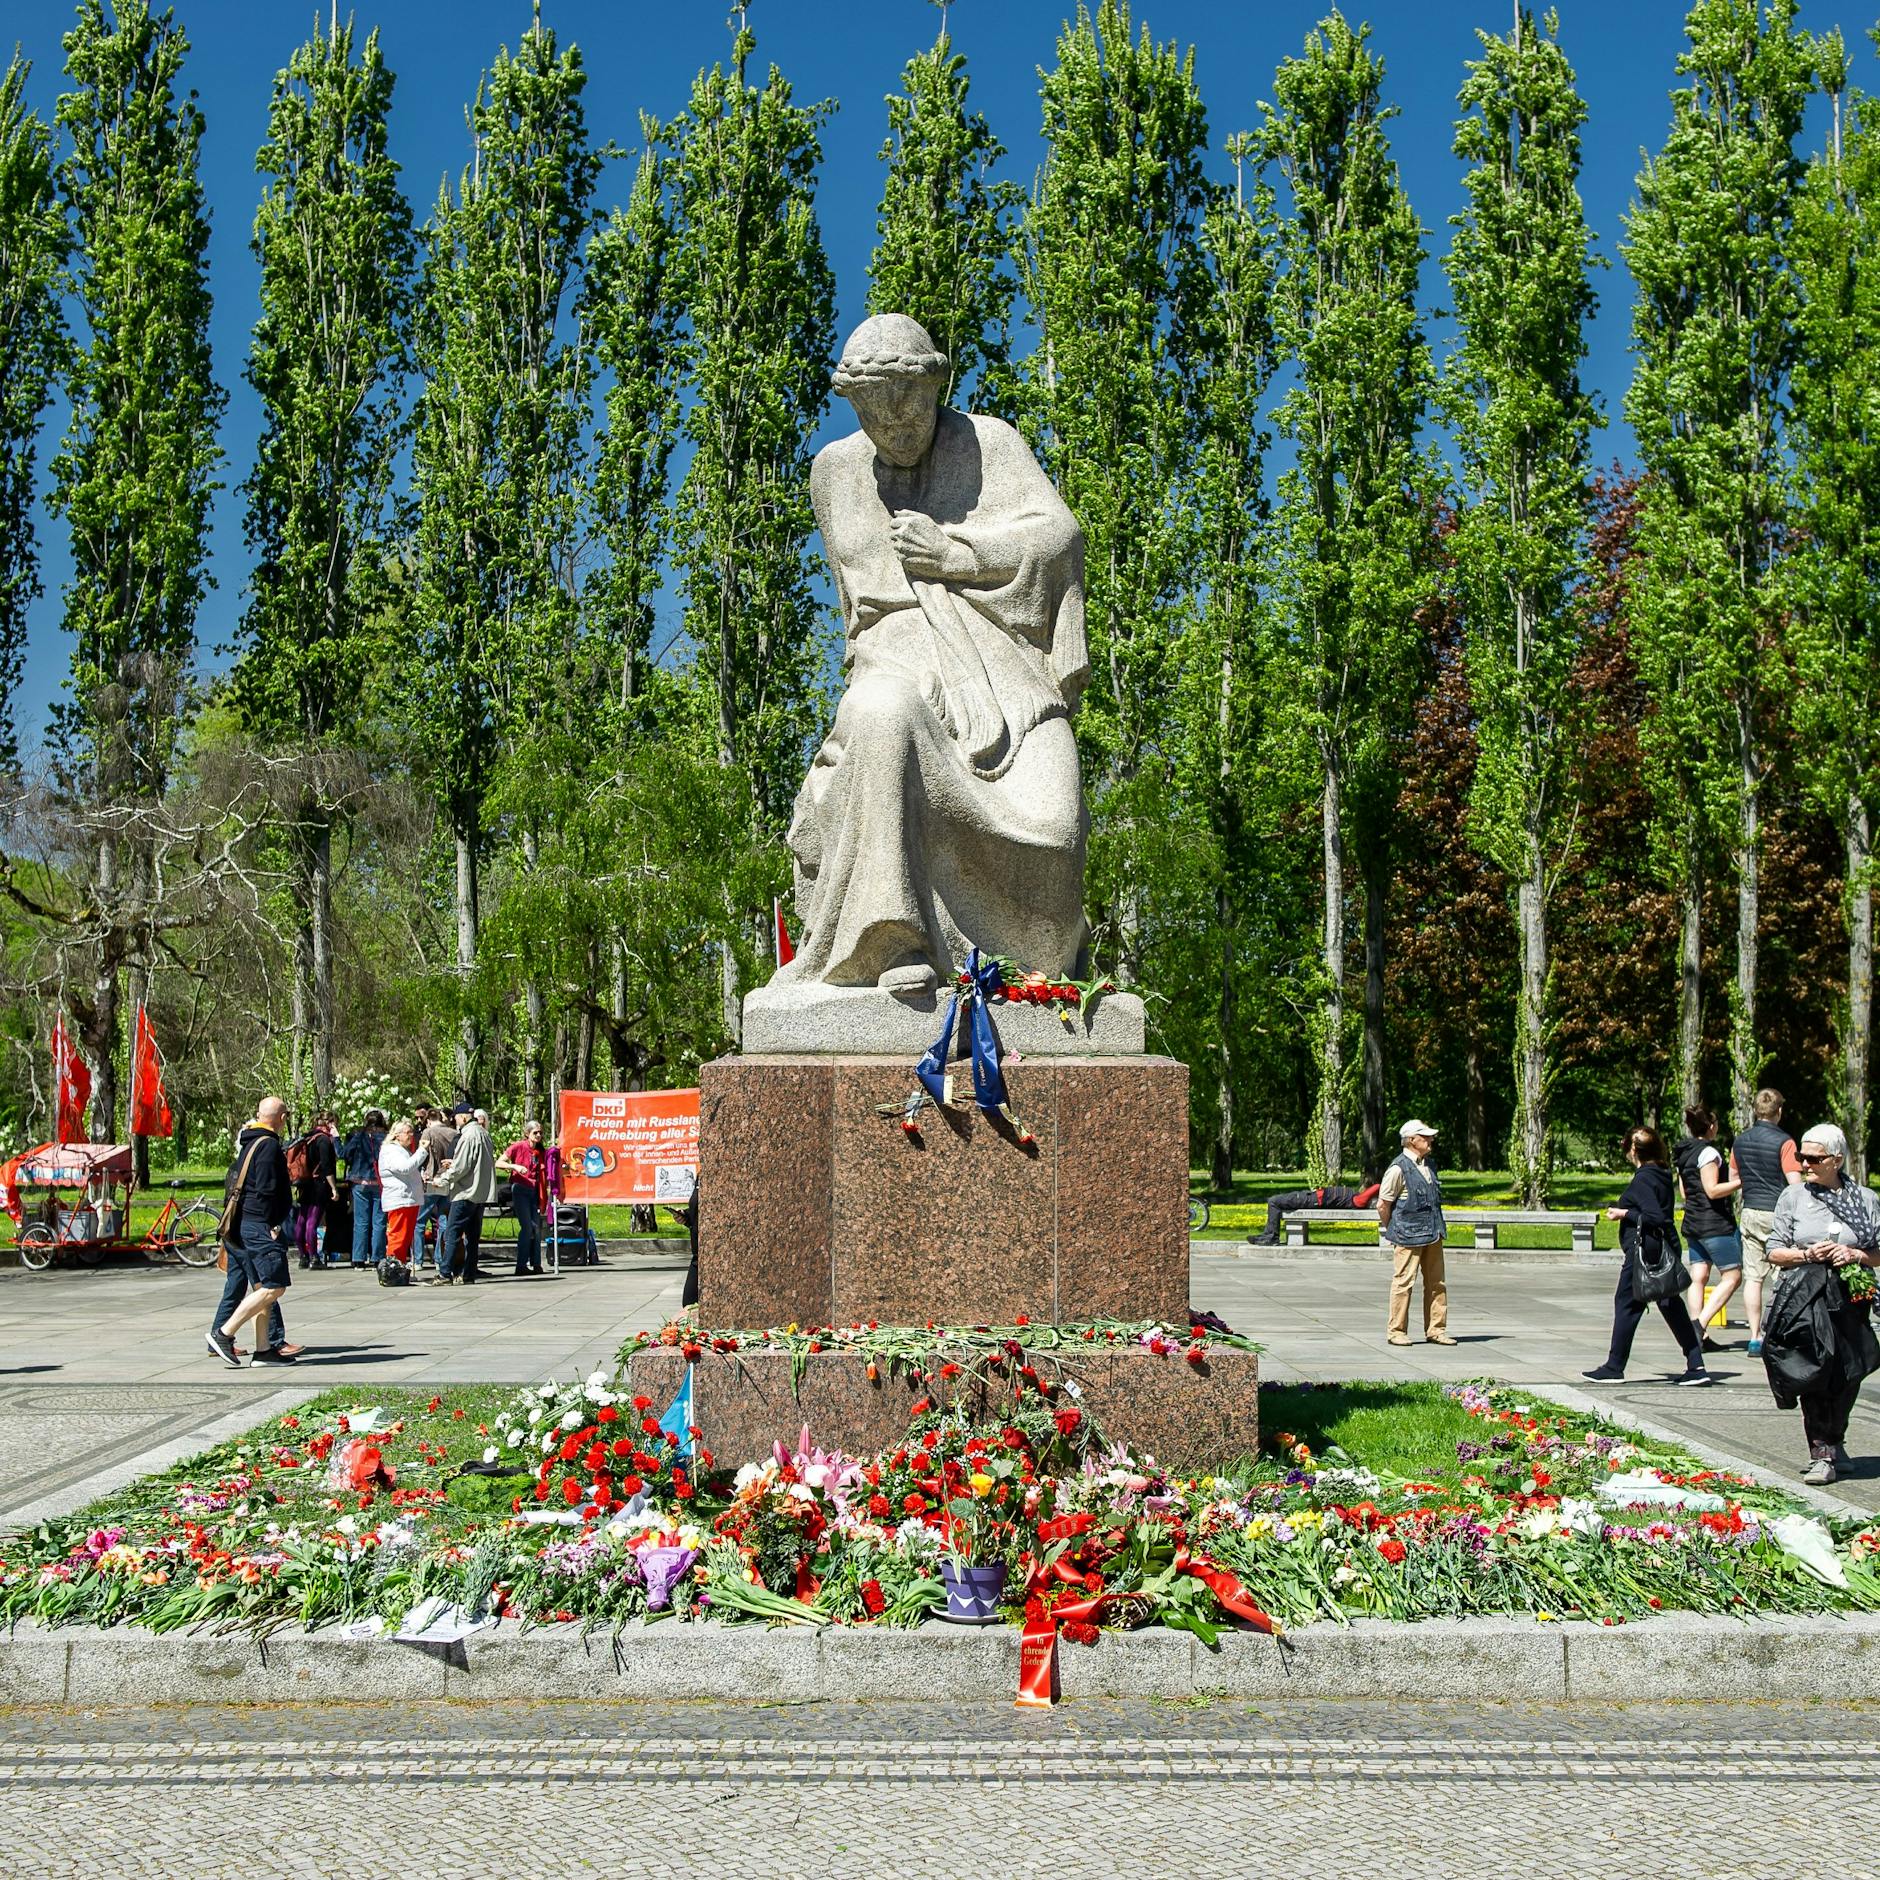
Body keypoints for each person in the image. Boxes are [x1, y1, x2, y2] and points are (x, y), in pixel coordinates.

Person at [762, 313, 1088, 999]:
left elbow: (1058, 536)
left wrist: (958, 555)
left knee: (1056, 835)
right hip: (899, 677)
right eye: (874, 411)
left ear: (936, 383)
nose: (894, 422)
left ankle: (1017, 961)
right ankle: (888, 941)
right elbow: (863, 620)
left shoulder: (987, 444)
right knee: (880, 712)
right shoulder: (834, 473)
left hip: (1007, 683)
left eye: (908, 402)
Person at [1764, 1122, 1880, 1484]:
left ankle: (1836, 1438)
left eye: (1814, 1158)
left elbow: (1878, 1252)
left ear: (1837, 1159)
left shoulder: (1865, 1199)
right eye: (1801, 1156)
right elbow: (1774, 1251)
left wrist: (1853, 1253)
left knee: (1849, 1373)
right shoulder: (1794, 1196)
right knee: (1813, 1373)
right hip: (1804, 1299)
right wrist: (1806, 1253)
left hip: (1850, 1298)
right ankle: (1822, 1453)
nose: (1805, 1164)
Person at [1582, 1125, 1712, 1387]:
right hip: (1661, 1248)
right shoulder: (1661, 1174)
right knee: (1670, 1305)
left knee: (1627, 1304)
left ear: (1633, 1149)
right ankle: (1696, 1365)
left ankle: (1614, 1366)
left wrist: (1623, 1213)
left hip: (1644, 1252)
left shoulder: (1643, 1178)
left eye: (1625, 1147)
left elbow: (1655, 1217)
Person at [209, 1096, 297, 1369]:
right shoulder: (269, 1146)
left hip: (246, 1224)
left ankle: (264, 1350)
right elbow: (268, 1190)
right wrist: (273, 1224)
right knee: (274, 1286)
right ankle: (224, 1334)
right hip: (260, 1225)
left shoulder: (250, 1142)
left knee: (261, 1286)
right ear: (282, 1119)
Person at [1732, 1086, 1804, 1357]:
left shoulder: (1740, 1141)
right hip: (1777, 1213)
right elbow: (1794, 1184)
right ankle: (1778, 1331)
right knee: (1781, 1276)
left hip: (1750, 1210)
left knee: (1753, 1277)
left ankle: (1754, 1337)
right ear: (1780, 1111)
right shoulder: (1785, 1142)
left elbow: (1735, 1175)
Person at [1377, 1120, 1454, 1348]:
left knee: (1437, 1284)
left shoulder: (1430, 1165)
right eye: (1425, 1137)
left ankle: (1436, 1330)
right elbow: (1383, 1204)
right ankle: (1396, 1331)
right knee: (1403, 1283)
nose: (1431, 1140)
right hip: (1407, 1236)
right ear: (1411, 1140)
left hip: (1433, 1233)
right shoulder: (1398, 1168)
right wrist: (1395, 1228)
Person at [1672, 1106, 1742, 1348]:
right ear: (1711, 1126)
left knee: (1699, 1276)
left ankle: (1698, 1337)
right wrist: (1739, 1182)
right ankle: (1698, 1325)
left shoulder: (1683, 1152)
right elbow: (1712, 1190)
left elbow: (1684, 1191)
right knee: (1732, 1276)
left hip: (1692, 1221)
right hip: (1714, 1223)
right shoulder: (1709, 1153)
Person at [433, 1106, 495, 1284]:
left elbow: (461, 1167)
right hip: (480, 1193)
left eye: (456, 1118)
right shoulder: (484, 1134)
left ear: (463, 1117)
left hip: (466, 1192)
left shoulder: (468, 1136)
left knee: (452, 1233)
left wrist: (443, 1179)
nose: (455, 1121)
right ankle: (469, 1274)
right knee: (473, 1237)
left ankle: (445, 1273)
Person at [1251, 1179, 1382, 1247]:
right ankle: (1267, 1235)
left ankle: (1271, 1236)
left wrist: (1386, 1185)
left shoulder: (1357, 1201)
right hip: (1310, 1196)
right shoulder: (1355, 1196)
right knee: (1275, 1200)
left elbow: (1377, 1186)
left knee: (1273, 1201)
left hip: (1311, 1200)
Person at [497, 1119, 548, 1277]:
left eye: (540, 1132)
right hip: (520, 1189)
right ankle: (521, 1265)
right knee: (527, 1227)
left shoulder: (540, 1151)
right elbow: (498, 1162)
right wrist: (514, 1166)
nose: (538, 1135)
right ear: (527, 1134)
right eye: (535, 1133)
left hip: (534, 1191)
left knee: (537, 1229)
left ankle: (536, 1263)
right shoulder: (518, 1147)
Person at [340, 1108, 387, 1269]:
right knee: (379, 1221)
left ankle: (358, 1258)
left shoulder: (358, 1136)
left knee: (361, 1221)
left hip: (360, 1181)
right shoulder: (386, 1138)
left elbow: (345, 1154)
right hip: (380, 1183)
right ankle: (377, 1257)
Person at [377, 1119, 426, 1268]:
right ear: (396, 1135)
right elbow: (404, 1168)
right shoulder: (391, 1150)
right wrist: (422, 1152)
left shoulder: (402, 1150)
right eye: (407, 1132)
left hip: (408, 1198)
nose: (411, 1135)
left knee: (405, 1237)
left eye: (412, 1132)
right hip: (400, 1199)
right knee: (398, 1237)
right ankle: (393, 1267)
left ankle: (400, 1267)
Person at [418, 1102, 459, 1275]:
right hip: (448, 1180)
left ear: (428, 1121)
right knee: (444, 1221)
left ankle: (418, 1260)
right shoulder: (454, 1133)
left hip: (431, 1180)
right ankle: (440, 1259)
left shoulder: (427, 1132)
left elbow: (423, 1154)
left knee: (419, 1222)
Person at [295, 1113, 340, 1270]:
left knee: (302, 1219)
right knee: (312, 1221)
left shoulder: (308, 1138)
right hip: (319, 1184)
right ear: (330, 1123)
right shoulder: (324, 1140)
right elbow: (327, 1166)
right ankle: (314, 1257)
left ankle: (303, 1256)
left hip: (304, 1182)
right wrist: (334, 1187)